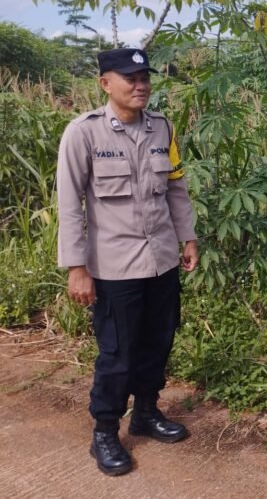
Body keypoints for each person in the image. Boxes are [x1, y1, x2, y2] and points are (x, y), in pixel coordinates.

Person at [57, 48, 199, 476]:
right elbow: (70, 205)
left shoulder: (162, 127)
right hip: (114, 266)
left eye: (144, 78)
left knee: (158, 341)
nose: (141, 86)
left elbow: (176, 187)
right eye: (130, 79)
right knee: (117, 353)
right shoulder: (83, 133)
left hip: (161, 260)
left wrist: (188, 237)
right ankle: (104, 430)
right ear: (105, 83)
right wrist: (77, 267)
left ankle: (146, 412)